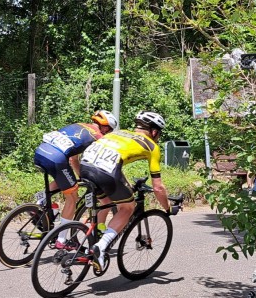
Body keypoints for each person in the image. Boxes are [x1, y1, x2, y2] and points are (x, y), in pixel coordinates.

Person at [79, 111, 171, 269]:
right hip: (105, 173)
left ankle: (94, 237)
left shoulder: (118, 133)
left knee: (107, 201)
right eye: (159, 134)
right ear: (154, 132)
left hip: (84, 167)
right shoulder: (152, 146)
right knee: (128, 207)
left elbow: (110, 162)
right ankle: (100, 247)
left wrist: (127, 185)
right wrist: (168, 208)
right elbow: (158, 187)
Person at [33, 111, 118, 226]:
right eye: (110, 130)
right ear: (105, 128)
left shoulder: (79, 125)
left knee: (64, 179)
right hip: (56, 158)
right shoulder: (98, 136)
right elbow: (94, 162)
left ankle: (39, 204)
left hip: (41, 151)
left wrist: (80, 176)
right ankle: (61, 240)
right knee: (73, 197)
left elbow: (73, 159)